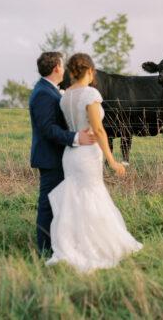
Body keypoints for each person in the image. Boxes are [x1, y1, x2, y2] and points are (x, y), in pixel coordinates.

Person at [46, 53, 142, 272]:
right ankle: (95, 246)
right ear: (89, 70)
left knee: (76, 199)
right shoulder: (90, 93)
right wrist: (112, 160)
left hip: (70, 154)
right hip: (88, 153)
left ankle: (74, 244)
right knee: (92, 196)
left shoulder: (65, 95)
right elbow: (98, 129)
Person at [29, 52, 97, 255]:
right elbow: (48, 128)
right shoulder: (43, 93)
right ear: (57, 67)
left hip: (62, 157)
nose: (66, 69)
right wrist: (76, 138)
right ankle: (43, 250)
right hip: (50, 157)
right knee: (48, 204)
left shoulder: (50, 90)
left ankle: (61, 244)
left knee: (61, 203)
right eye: (63, 64)